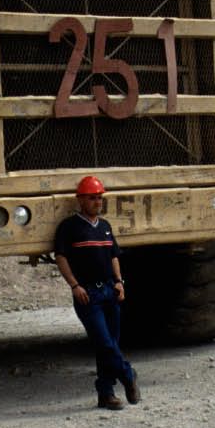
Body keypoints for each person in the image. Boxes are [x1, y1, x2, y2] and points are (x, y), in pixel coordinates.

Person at [54, 175, 139, 410]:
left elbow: (114, 257)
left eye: (99, 198)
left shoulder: (105, 227)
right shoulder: (69, 228)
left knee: (110, 343)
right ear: (80, 200)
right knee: (104, 343)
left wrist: (119, 282)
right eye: (92, 198)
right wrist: (74, 286)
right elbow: (60, 258)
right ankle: (128, 373)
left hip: (109, 292)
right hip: (87, 295)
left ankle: (106, 393)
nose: (97, 202)